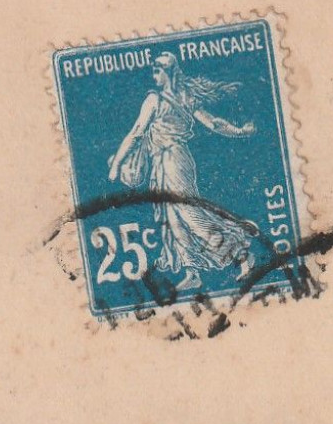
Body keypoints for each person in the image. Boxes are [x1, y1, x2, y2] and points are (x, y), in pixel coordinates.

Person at [106, 51, 258, 290]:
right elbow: (213, 123)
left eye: (158, 69)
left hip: (174, 160)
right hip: (161, 163)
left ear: (169, 73)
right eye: (154, 69)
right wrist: (239, 131)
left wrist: (116, 165)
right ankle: (192, 271)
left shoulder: (156, 100)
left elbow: (137, 132)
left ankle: (241, 255)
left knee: (189, 214)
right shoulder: (181, 97)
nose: (154, 73)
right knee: (172, 219)